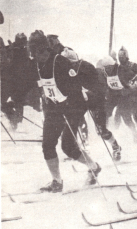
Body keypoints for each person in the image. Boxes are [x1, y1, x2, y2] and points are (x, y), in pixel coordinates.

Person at [28, 30, 101, 192]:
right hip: (54, 107)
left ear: (45, 49)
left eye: (38, 53)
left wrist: (67, 104)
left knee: (67, 147)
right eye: (33, 53)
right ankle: (57, 181)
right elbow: (40, 83)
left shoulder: (60, 62)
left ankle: (94, 167)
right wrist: (44, 95)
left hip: (73, 107)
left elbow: (75, 88)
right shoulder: (38, 64)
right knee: (47, 144)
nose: (36, 57)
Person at [62, 49, 123, 161]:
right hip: (81, 101)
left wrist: (88, 92)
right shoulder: (65, 70)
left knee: (101, 130)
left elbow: (100, 87)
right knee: (76, 122)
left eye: (69, 63)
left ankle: (115, 146)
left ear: (74, 62)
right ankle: (82, 148)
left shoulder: (87, 67)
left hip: (96, 101)